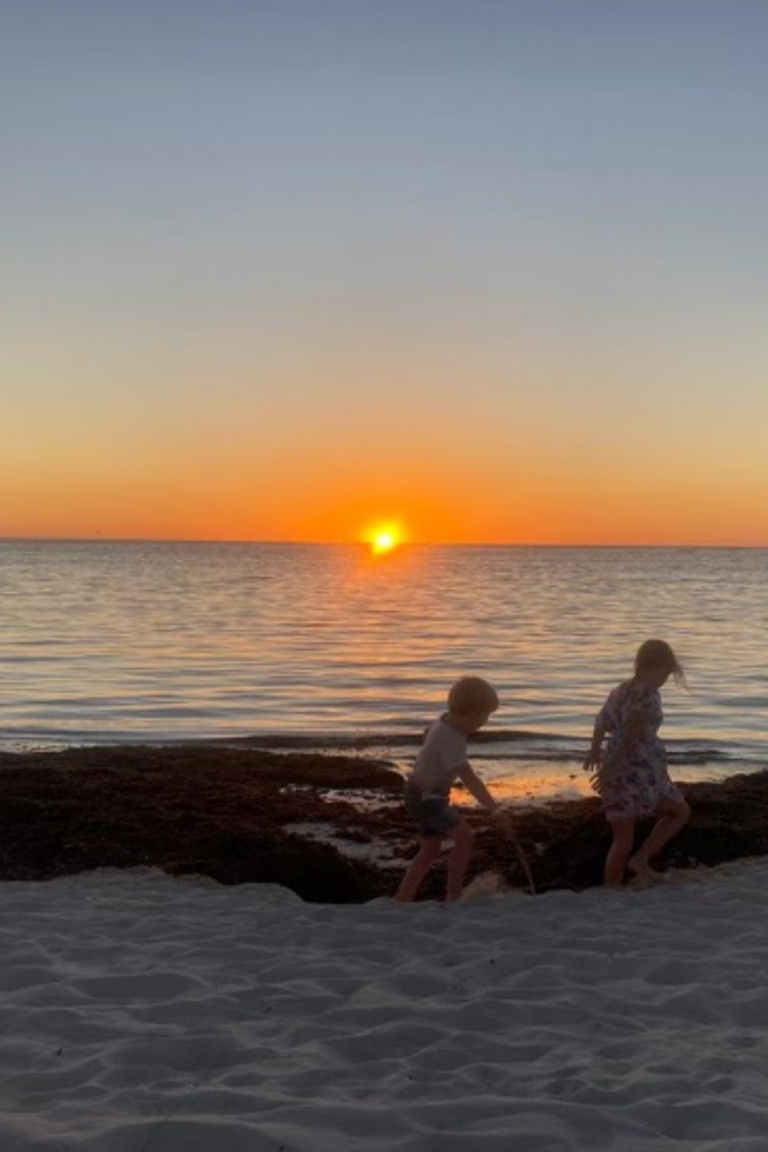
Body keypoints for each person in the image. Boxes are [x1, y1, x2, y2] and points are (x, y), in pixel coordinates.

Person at [584, 639, 691, 887]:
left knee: (621, 840)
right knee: (680, 811)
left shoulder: (620, 690)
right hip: (637, 769)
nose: (664, 679)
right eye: (666, 673)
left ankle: (612, 889)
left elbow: (600, 722)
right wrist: (609, 770)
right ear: (660, 666)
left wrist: (594, 753)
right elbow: (632, 734)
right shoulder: (649, 694)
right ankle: (641, 859)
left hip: (617, 764)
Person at [395, 676, 500, 903]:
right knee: (464, 837)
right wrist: (494, 809)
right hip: (428, 799)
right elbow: (469, 778)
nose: (485, 722)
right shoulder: (452, 738)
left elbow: (426, 734)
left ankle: (403, 897)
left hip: (415, 792)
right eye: (485, 715)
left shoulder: (443, 721)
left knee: (430, 849)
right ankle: (453, 895)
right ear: (471, 712)